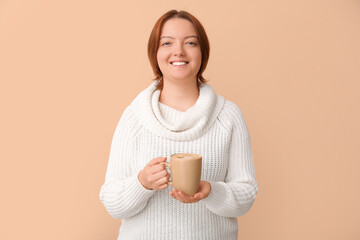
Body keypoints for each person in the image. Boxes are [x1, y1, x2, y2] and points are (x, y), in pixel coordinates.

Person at [99, 9, 258, 240]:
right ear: (154, 52)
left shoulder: (229, 116)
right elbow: (112, 201)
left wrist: (211, 191)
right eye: (167, 43)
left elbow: (246, 194)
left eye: (191, 42)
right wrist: (142, 183)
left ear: (203, 52)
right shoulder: (134, 117)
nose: (178, 51)